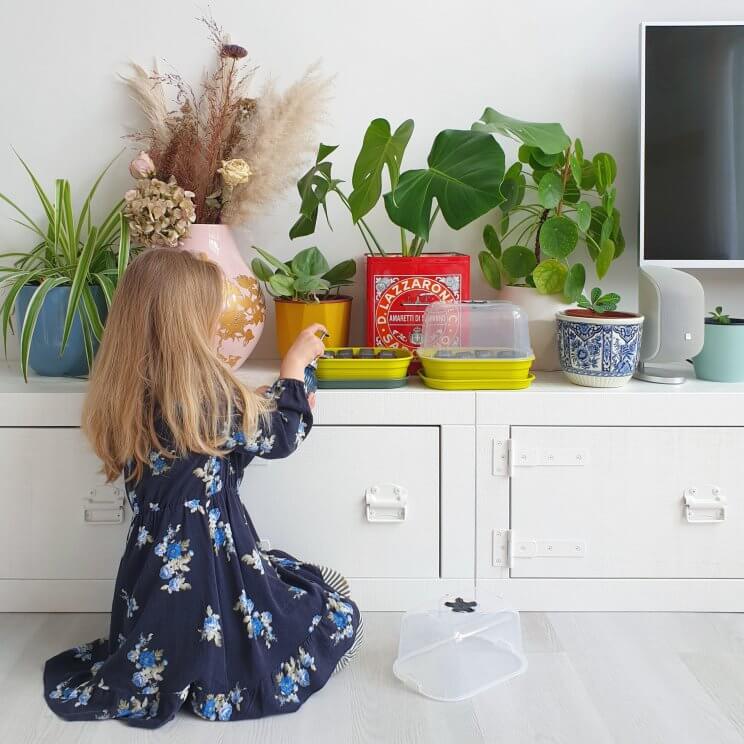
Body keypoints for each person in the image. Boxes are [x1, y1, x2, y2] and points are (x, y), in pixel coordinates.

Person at [43, 248, 362, 727]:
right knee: (336, 613)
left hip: (153, 571)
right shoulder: (212, 402)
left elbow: (213, 438)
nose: (220, 325)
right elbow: (281, 435)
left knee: (281, 579)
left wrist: (252, 401)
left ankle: (181, 656)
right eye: (213, 316)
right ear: (188, 326)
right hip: (209, 561)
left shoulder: (129, 392)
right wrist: (296, 365)